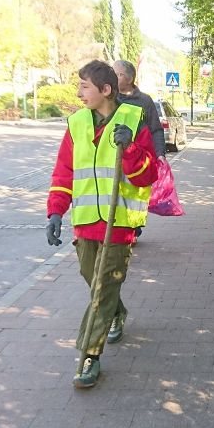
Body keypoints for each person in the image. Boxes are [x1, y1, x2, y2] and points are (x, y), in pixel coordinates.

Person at [45, 60, 158, 388]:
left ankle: (89, 355)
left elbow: (149, 174)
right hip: (85, 223)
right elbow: (64, 172)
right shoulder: (77, 124)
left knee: (103, 287)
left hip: (118, 224)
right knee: (97, 284)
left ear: (105, 90)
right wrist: (55, 212)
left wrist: (132, 149)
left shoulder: (133, 121)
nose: (78, 93)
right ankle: (117, 314)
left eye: (84, 86)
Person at [112, 59, 166, 244]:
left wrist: (160, 154)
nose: (113, 76)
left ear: (129, 78)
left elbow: (156, 129)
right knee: (115, 195)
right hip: (115, 156)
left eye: (118, 74)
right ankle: (119, 229)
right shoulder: (110, 98)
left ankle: (134, 228)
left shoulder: (144, 101)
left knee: (135, 197)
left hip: (139, 157)